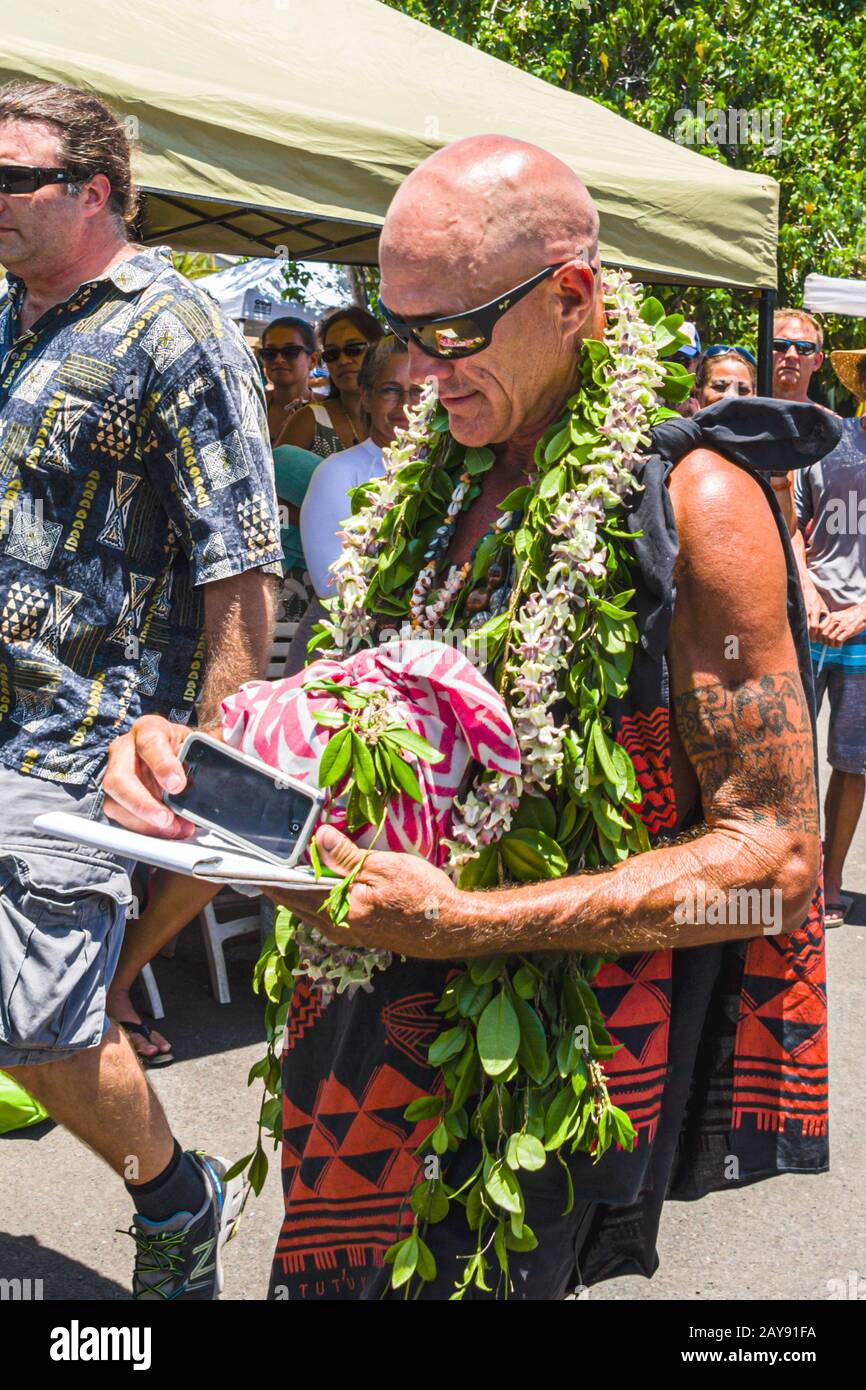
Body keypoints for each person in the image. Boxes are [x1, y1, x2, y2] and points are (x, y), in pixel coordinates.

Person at [102, 135, 832, 1302]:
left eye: (453, 330)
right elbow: (351, 738)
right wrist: (196, 765)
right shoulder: (432, 477)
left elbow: (778, 866)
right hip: (354, 1028)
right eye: (400, 329)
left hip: (530, 1066)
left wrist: (471, 921)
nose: (421, 369)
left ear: (573, 297)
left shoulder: (700, 505)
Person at [0, 80, 283, 1298]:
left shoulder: (178, 329)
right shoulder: (15, 313)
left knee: (42, 1031)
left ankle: (175, 1193)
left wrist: (204, 768)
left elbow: (242, 569)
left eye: (14, 178)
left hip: (86, 744)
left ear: (95, 191)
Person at [794, 346, 866, 927]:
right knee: (789, 751)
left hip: (865, 632)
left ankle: (832, 875)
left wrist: (863, 611)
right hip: (810, 619)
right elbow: (792, 523)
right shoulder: (829, 440)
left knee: (853, 761)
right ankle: (793, 871)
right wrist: (810, 592)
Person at [300, 334, 422, 598]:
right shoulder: (337, 473)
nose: (405, 405)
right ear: (366, 397)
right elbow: (330, 585)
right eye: (390, 390)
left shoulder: (450, 469)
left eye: (417, 391)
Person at [275, 305, 383, 455]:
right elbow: (272, 477)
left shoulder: (404, 413)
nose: (343, 360)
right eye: (332, 354)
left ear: (379, 348)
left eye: (354, 349)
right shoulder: (309, 420)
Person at [772, 307, 829, 534]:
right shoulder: (740, 419)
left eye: (804, 348)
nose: (792, 355)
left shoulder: (831, 428)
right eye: (780, 345)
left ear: (817, 361)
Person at [260, 314, 318, 444]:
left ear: (313, 360)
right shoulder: (251, 407)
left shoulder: (329, 410)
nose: (279, 359)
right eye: (270, 353)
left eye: (291, 352)